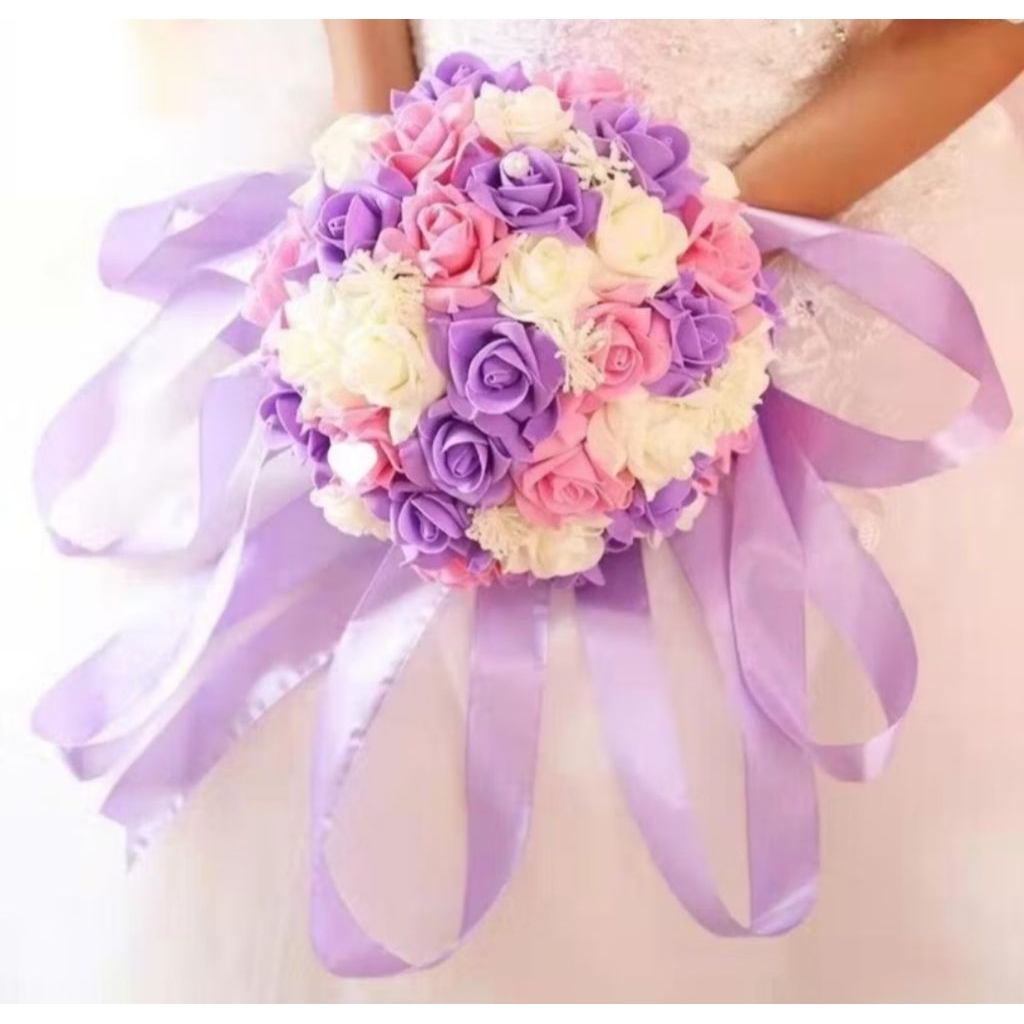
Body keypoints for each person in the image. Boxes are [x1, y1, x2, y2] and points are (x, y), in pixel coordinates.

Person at [90, 20, 1024, 1000]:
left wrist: (665, 278)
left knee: (646, 757)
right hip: (415, 180)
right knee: (290, 727)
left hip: (761, 257)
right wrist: (382, 196)